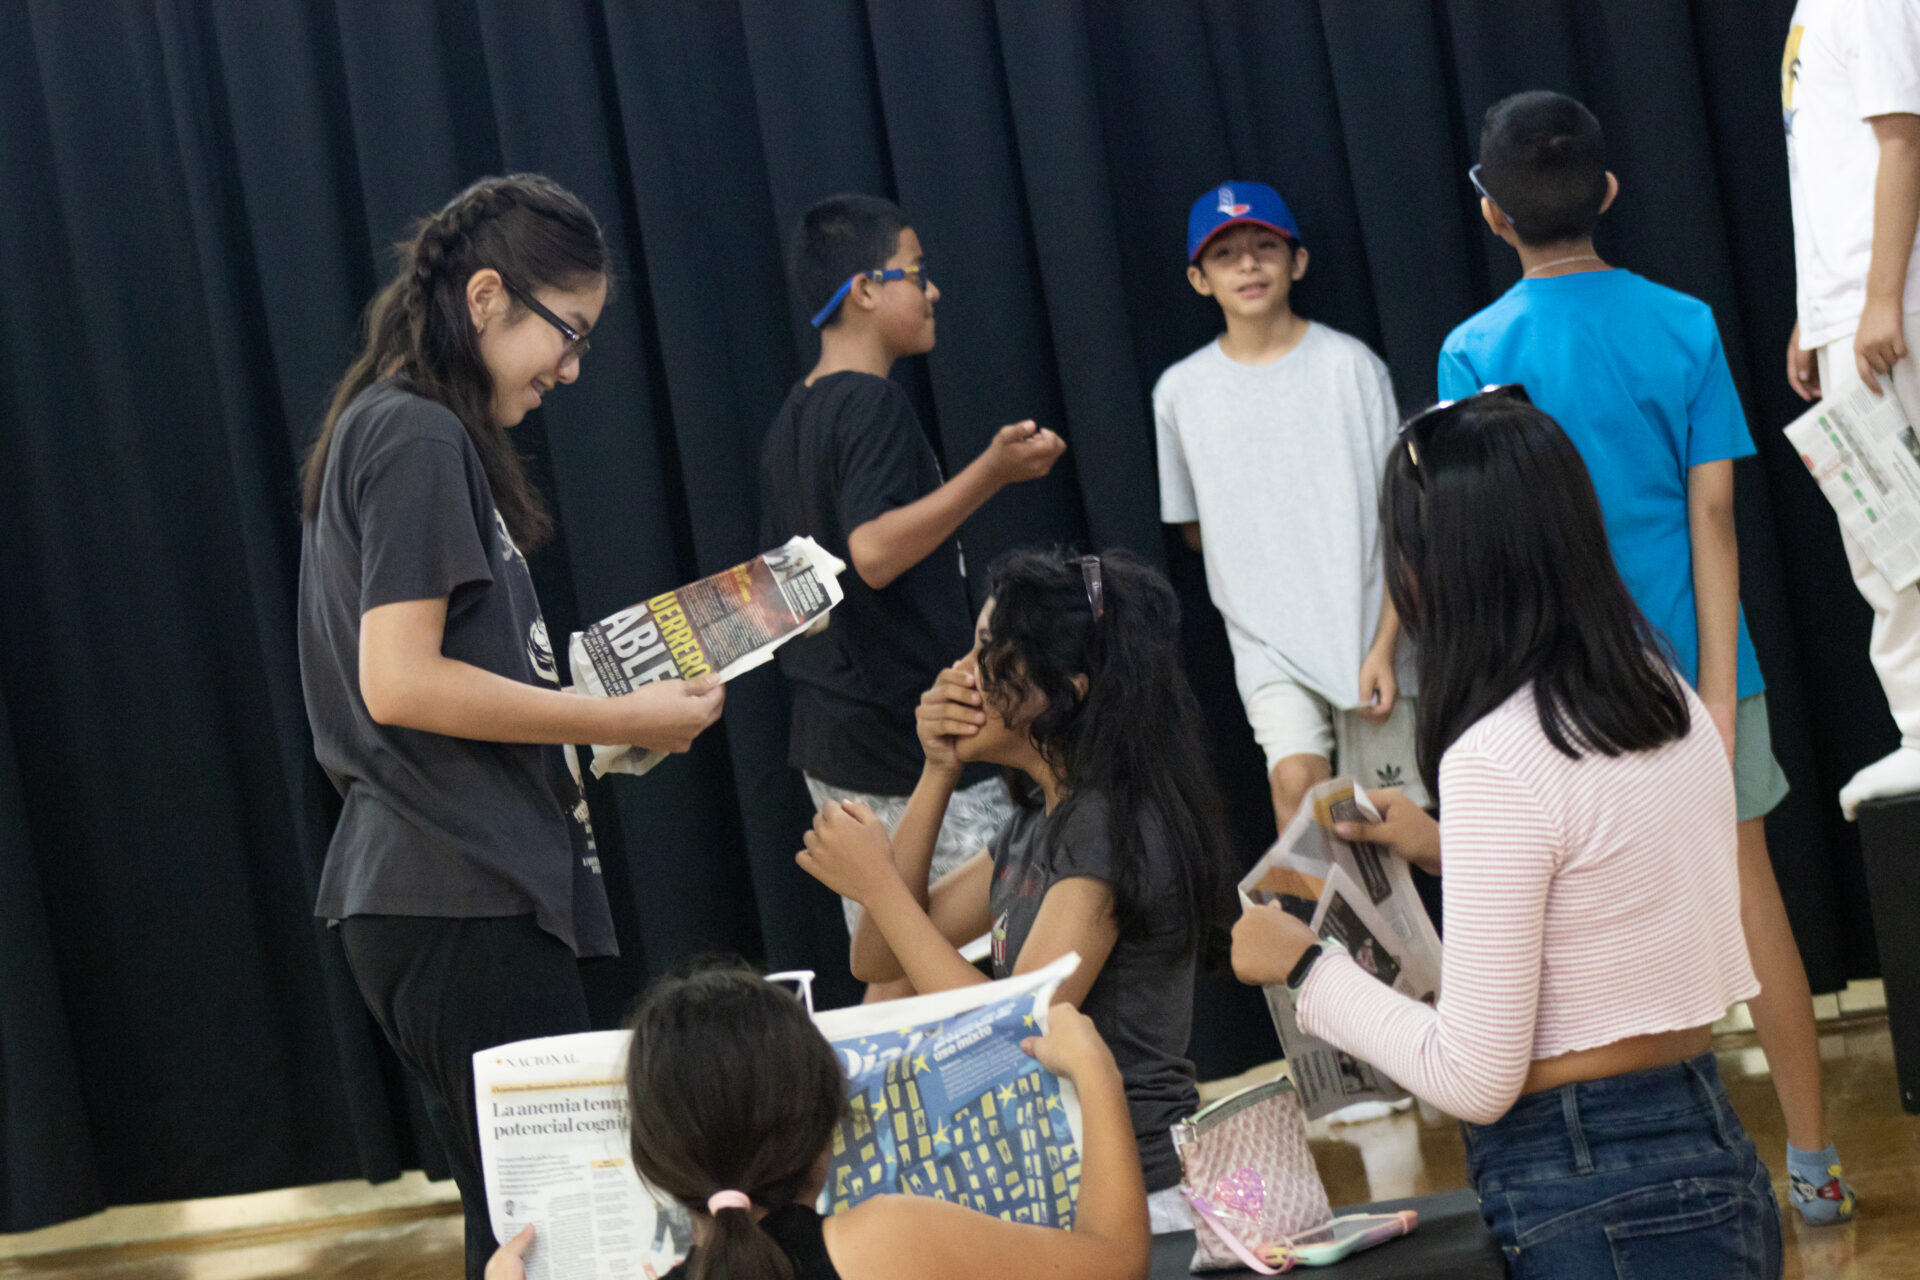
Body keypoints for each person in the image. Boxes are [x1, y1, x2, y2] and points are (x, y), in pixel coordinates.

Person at [1232, 389, 1782, 1278]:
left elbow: (1473, 1075)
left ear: (1439, 569)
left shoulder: (1495, 756)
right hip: (1711, 1144)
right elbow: (1604, 874)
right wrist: (1441, 843)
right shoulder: (1662, 695)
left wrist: (1304, 968)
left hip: (1588, 1186)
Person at [297, 174, 727, 1279]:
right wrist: (611, 711)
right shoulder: (414, 434)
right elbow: (399, 682)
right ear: (487, 296)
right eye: (567, 332)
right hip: (456, 886)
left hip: (450, 886)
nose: (573, 367)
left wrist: (602, 725)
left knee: (530, 1240)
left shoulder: (401, 430)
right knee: (554, 1247)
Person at [1438, 90, 1853, 1226]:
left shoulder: (1473, 347)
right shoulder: (1685, 321)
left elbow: (1474, 537)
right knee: (1751, 897)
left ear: (1491, 214)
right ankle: (1813, 1162)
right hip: (1700, 669)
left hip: (1549, 687)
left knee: (1570, 921)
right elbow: (1714, 518)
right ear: (1610, 192)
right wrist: (1718, 686)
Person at [793, 549, 1232, 1232]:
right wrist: (938, 768)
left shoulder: (1109, 824)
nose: (959, 675)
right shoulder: (1038, 820)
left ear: (1069, 688)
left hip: (1138, 1200)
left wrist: (878, 883)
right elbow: (878, 962)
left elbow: (1012, 1033)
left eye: (990, 653)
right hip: (1064, 1187)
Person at [761, 194, 1066, 1001]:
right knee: (937, 957)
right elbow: (874, 552)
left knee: (892, 962)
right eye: (917, 274)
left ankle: (882, 1126)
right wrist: (991, 474)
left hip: (836, 733)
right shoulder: (870, 404)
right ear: (865, 289)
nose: (931, 293)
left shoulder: (796, 418)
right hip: (899, 739)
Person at [485, 969, 1149, 1280]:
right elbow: (1118, 1264)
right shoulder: (890, 1240)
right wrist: (1096, 1074)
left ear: (653, 1158)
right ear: (829, 1125)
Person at [1155, 180, 1422, 835]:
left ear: (1297, 261)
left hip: (1371, 633)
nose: (1248, 264)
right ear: (1198, 279)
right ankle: (1323, 941)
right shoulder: (1180, 392)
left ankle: (1417, 942)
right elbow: (1191, 528)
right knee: (1297, 786)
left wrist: (1387, 642)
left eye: (1264, 246)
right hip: (1267, 642)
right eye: (1226, 255)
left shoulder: (1351, 367)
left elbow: (1403, 518)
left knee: (1387, 820)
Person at [1783, 1, 1920, 822]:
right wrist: (1818, 308)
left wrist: (1877, 298)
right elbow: (1833, 171)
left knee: (1894, 528)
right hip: (1849, 306)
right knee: (1881, 535)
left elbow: (1902, 139)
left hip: (1887, 305)